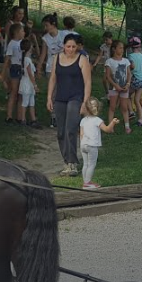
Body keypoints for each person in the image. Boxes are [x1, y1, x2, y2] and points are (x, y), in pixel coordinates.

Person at [47, 34, 91, 177]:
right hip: (60, 98)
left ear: (77, 46)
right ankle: (66, 161)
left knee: (70, 129)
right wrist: (49, 97)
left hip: (76, 98)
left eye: (73, 46)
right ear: (63, 46)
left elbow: (88, 82)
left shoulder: (82, 59)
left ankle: (72, 163)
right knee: (60, 132)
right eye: (68, 46)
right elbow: (53, 78)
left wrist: (85, 102)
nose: (71, 49)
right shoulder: (57, 58)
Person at [80, 99, 120, 190]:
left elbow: (81, 134)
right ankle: (87, 183)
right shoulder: (97, 120)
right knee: (92, 164)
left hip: (83, 145)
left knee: (85, 164)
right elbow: (107, 129)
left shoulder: (83, 120)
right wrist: (113, 122)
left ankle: (85, 182)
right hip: (92, 145)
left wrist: (83, 142)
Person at [38, 13, 64, 128]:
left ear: (53, 24)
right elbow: (43, 54)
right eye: (44, 26)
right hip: (50, 68)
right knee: (52, 92)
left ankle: (62, 115)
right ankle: (54, 117)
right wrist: (38, 68)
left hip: (64, 67)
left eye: (47, 25)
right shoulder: (45, 38)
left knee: (62, 92)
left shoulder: (63, 35)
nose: (45, 28)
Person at [104, 40, 133, 134]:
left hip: (124, 87)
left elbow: (129, 73)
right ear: (114, 49)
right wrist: (115, 85)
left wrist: (128, 84)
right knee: (112, 107)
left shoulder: (126, 61)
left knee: (124, 107)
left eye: (122, 48)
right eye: (120, 48)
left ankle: (127, 126)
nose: (122, 49)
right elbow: (108, 76)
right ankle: (110, 126)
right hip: (114, 88)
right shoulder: (109, 61)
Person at [3, 23, 25, 125]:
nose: (23, 33)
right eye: (22, 31)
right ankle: (9, 116)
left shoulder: (22, 42)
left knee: (20, 93)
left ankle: (19, 116)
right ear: (16, 33)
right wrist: (4, 73)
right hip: (15, 68)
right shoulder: (12, 44)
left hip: (21, 68)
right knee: (13, 92)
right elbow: (7, 59)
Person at [18, 39, 40, 129]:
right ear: (29, 47)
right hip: (28, 83)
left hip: (29, 84)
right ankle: (23, 120)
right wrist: (35, 85)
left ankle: (33, 120)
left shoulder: (27, 59)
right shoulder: (27, 59)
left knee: (31, 102)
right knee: (25, 102)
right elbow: (30, 74)